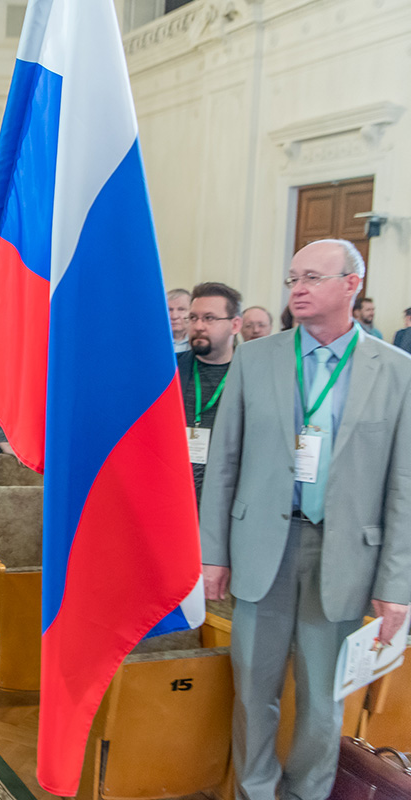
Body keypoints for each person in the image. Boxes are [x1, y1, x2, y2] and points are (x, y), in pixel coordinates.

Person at [200, 239, 411, 800]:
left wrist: (396, 586)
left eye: (314, 277)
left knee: (322, 696)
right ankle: (255, 790)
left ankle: (307, 793)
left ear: (352, 285)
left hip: (342, 555)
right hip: (261, 544)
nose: (298, 288)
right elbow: (225, 462)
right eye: (294, 276)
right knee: (253, 688)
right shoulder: (257, 356)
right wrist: (212, 552)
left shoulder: (396, 371)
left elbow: (404, 487)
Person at [177, 282, 242, 502]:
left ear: (235, 325)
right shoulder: (170, 371)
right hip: (174, 500)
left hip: (225, 500)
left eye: (209, 318)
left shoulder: (251, 374)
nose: (199, 326)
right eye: (193, 318)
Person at [168, 288, 191, 352]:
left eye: (181, 309)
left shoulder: (200, 342)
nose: (174, 316)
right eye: (170, 310)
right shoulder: (154, 342)